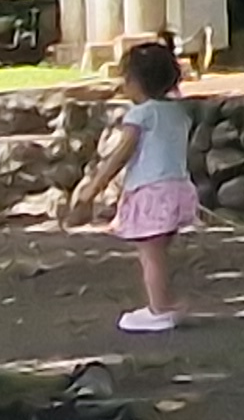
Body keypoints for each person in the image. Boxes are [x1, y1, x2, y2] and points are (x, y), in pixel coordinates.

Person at [64, 37, 198, 334]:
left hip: (150, 191)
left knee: (149, 255)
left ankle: (159, 309)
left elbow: (120, 155)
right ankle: (165, 302)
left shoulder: (141, 115)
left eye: (126, 79)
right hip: (176, 188)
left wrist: (93, 188)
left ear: (137, 82)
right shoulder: (177, 112)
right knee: (158, 252)